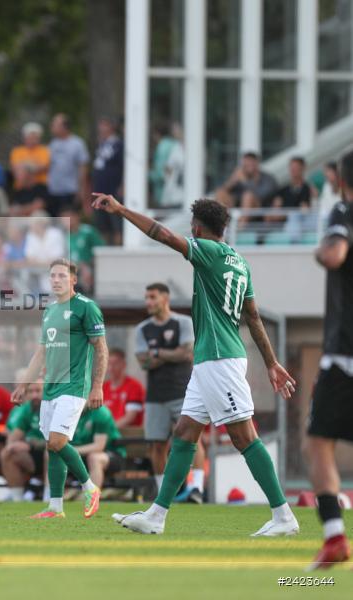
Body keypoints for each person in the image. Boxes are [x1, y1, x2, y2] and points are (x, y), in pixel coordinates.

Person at [93, 192, 298, 536]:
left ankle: (283, 515)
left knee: (244, 437)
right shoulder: (239, 261)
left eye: (192, 228)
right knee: (185, 434)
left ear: (199, 229)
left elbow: (161, 233)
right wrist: (271, 362)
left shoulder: (209, 252)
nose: (190, 233)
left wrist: (121, 209)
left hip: (219, 359)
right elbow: (253, 317)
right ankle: (157, 516)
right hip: (211, 361)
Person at [12, 258, 107, 519]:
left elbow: (101, 347)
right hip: (50, 388)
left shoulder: (86, 308)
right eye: (52, 276)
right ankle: (55, 507)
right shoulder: (50, 310)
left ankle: (90, 488)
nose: (56, 280)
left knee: (57, 441)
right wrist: (24, 385)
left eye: (62, 276)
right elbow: (41, 353)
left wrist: (97, 386)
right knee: (51, 445)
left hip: (74, 386)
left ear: (73, 280)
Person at [306, 149, 353, 569]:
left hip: (346, 354)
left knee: (319, 441)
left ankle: (335, 537)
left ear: (340, 180)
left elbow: (335, 253)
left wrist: (321, 253)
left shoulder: (343, 208)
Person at [134, 282, 205, 503]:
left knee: (193, 440)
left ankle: (196, 489)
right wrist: (170, 353)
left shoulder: (182, 322)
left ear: (165, 298)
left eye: (152, 297)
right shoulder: (143, 329)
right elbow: (143, 361)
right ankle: (164, 493)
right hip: (156, 395)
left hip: (184, 392)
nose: (148, 302)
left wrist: (156, 352)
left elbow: (186, 354)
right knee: (157, 445)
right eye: (146, 297)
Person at [0, 378, 46, 501]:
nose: (34, 395)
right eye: (30, 392)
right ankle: (17, 499)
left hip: (52, 452)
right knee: (8, 453)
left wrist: (29, 445)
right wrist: (11, 445)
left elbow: (58, 441)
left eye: (38, 391)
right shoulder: (27, 408)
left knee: (50, 453)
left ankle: (50, 496)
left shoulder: (53, 407)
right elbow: (16, 433)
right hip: (33, 454)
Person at [47, 113, 89, 216]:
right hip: (54, 191)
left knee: (68, 222)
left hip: (70, 190)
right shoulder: (53, 144)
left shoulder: (77, 143)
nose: (51, 127)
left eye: (55, 125)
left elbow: (83, 167)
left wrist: (82, 189)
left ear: (64, 127)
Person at [91, 117, 124, 245]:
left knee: (116, 224)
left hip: (113, 189)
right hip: (100, 189)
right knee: (102, 225)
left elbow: (122, 165)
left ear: (111, 127)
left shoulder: (118, 144)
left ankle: (118, 251)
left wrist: (122, 185)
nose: (101, 129)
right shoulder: (101, 145)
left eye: (104, 125)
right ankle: (104, 251)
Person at [102, 348, 144, 431]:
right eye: (109, 363)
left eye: (115, 363)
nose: (111, 368)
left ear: (124, 364)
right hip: (107, 433)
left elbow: (130, 417)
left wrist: (108, 430)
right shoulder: (103, 388)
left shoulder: (134, 386)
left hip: (128, 435)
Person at [10, 122, 49, 188]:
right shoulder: (17, 151)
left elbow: (43, 167)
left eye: (35, 137)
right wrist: (32, 165)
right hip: (21, 186)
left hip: (40, 185)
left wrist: (24, 166)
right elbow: (15, 168)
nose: (33, 139)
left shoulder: (44, 150)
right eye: (30, 136)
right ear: (25, 138)